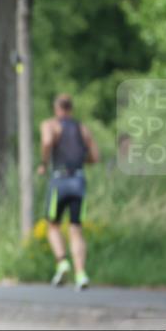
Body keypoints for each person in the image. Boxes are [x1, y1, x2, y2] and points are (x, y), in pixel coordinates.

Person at [38, 94, 99, 291]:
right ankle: (81, 274)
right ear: (71, 109)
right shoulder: (83, 128)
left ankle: (62, 262)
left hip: (60, 179)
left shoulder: (50, 125)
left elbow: (47, 142)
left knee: (53, 225)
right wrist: (82, 161)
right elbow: (95, 157)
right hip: (79, 180)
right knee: (76, 228)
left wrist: (43, 163)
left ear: (56, 109)